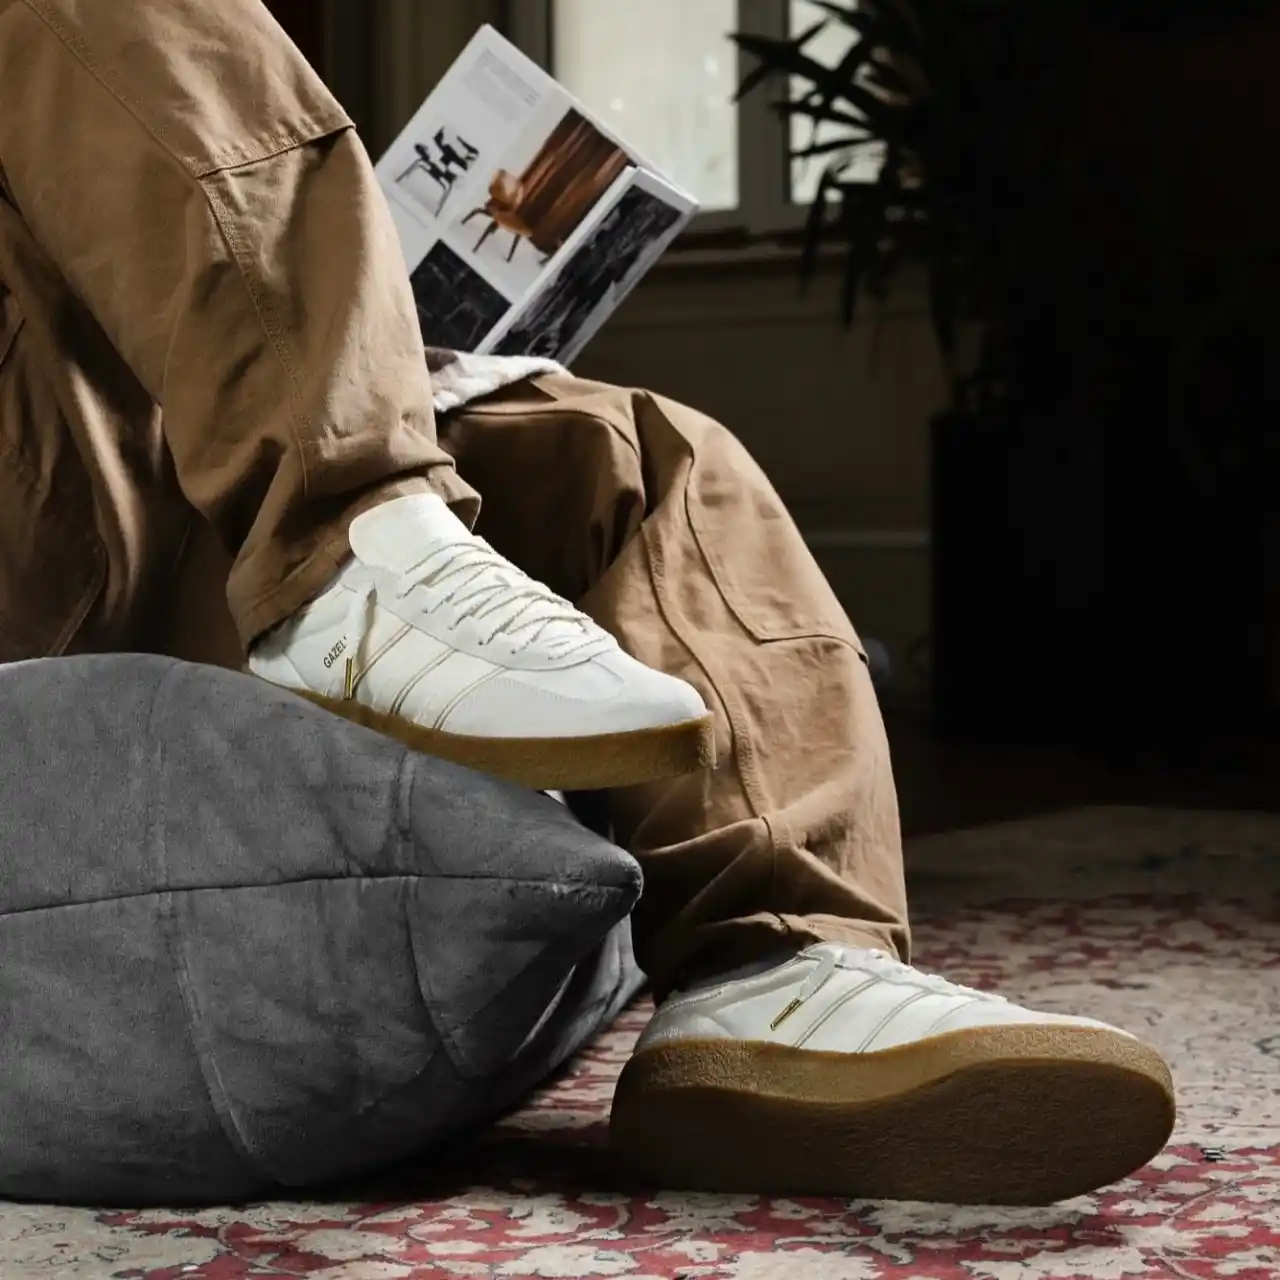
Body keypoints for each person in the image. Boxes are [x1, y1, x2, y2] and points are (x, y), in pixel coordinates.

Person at [0, 0, 1175, 1206]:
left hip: (133, 496)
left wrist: (375, 354)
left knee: (628, 450)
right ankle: (351, 530)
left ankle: (775, 972)